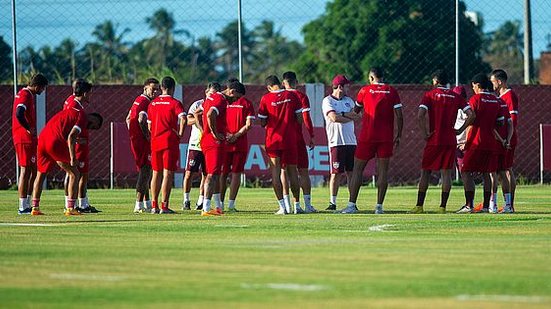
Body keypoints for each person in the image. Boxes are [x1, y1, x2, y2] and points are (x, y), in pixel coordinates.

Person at [409, 70, 474, 214]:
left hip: (434, 139)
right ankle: (442, 207)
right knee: (446, 173)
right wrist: (459, 129)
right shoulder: (455, 96)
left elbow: (420, 115)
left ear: (435, 81)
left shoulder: (429, 95)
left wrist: (425, 133)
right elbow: (471, 115)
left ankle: (419, 206)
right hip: (450, 139)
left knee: (425, 172)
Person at [345, 67, 403, 214]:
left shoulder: (364, 91)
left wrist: (342, 115)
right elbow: (400, 115)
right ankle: (379, 207)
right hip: (386, 137)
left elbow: (356, 111)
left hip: (368, 136)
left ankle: (351, 205)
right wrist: (399, 134)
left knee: (357, 169)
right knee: (383, 171)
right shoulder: (392, 91)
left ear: (371, 78)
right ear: (383, 77)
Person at [457, 73, 512, 214]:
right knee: (487, 173)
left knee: (466, 171)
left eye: (473, 86)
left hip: (476, 141)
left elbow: (472, 117)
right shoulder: (496, 100)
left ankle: (469, 205)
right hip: (491, 142)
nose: (473, 89)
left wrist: (461, 130)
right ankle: (487, 206)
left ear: (477, 85)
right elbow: (501, 122)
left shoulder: (475, 99)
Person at [30, 109, 103, 216]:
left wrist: (75, 140)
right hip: (54, 142)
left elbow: (64, 132)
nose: (90, 128)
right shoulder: (81, 116)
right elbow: (71, 136)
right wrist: (73, 158)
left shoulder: (68, 113)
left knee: (40, 174)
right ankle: (70, 208)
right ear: (94, 119)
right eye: (93, 126)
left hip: (43, 138)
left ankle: (35, 208)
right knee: (74, 173)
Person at [258, 75, 303, 215]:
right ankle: (297, 206)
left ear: (269, 87)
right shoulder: (292, 95)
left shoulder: (265, 98)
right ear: (280, 84)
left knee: (276, 173)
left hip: (273, 141)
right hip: (290, 139)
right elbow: (300, 119)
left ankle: (283, 207)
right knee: (293, 172)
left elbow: (262, 122)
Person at [200, 80, 245, 216]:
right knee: (212, 174)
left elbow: (198, 113)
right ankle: (206, 208)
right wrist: (213, 132)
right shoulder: (220, 100)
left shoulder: (212, 97)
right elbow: (210, 115)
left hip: (209, 141)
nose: (235, 100)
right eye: (236, 97)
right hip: (214, 142)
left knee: (216, 174)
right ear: (231, 91)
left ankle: (217, 206)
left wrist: (207, 131)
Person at [147, 76, 186, 214]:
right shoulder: (175, 103)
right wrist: (180, 133)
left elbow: (149, 125)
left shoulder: (152, 104)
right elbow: (183, 118)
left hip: (155, 141)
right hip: (169, 141)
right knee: (167, 173)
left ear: (161, 88)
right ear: (172, 88)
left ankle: (154, 206)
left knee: (156, 173)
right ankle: (164, 206)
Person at [61, 79, 100, 213]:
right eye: (89, 93)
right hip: (77, 145)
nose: (90, 96)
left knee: (73, 173)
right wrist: (76, 139)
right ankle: (81, 205)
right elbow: (68, 125)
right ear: (83, 93)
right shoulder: (75, 105)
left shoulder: (70, 101)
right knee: (80, 174)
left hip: (76, 143)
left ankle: (71, 203)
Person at [321, 75, 359, 211]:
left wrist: (342, 114)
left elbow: (358, 115)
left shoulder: (349, 100)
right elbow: (333, 117)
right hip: (336, 141)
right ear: (340, 87)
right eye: (346, 85)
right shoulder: (327, 101)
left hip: (351, 141)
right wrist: (347, 115)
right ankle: (332, 203)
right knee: (336, 173)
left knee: (351, 173)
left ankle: (352, 203)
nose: (349, 87)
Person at [280, 71, 317, 213]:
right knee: (303, 171)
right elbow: (306, 117)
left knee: (283, 171)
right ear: (296, 82)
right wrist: (311, 135)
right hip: (297, 138)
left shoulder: (279, 96)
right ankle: (307, 205)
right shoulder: (301, 96)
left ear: (284, 83)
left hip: (283, 139)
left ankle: (287, 206)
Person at [12, 73, 48, 214]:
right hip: (23, 138)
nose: (42, 91)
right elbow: (19, 113)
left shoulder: (26, 95)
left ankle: (27, 203)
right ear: (37, 86)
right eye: (43, 88)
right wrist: (28, 128)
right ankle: (22, 206)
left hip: (28, 139)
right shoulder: (25, 95)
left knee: (33, 169)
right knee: (25, 170)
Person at [182, 82, 221, 211]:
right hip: (195, 144)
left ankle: (201, 201)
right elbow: (188, 120)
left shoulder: (217, 105)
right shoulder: (198, 104)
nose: (212, 96)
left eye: (215, 94)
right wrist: (201, 121)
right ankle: (186, 200)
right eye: (211, 94)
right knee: (189, 173)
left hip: (209, 145)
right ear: (206, 92)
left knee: (206, 174)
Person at [220, 81, 255, 213]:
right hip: (239, 142)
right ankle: (230, 204)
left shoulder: (222, 101)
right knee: (235, 174)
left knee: (222, 174)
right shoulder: (247, 103)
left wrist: (228, 134)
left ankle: (220, 204)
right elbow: (249, 124)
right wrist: (236, 135)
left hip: (224, 140)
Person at [126, 78, 160, 213]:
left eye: (157, 89)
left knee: (145, 170)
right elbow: (141, 120)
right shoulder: (145, 102)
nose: (155, 92)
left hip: (136, 140)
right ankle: (138, 205)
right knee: (146, 170)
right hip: (141, 141)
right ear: (145, 88)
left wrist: (132, 132)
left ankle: (146, 203)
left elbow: (128, 118)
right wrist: (146, 135)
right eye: (153, 89)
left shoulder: (138, 100)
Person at [490, 69, 519, 213]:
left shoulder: (510, 95)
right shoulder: (500, 96)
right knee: (502, 170)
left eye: (493, 81)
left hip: (508, 139)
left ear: (499, 81)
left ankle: (510, 205)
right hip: (501, 139)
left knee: (507, 170)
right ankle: (507, 204)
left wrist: (507, 138)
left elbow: (512, 120)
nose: (492, 84)